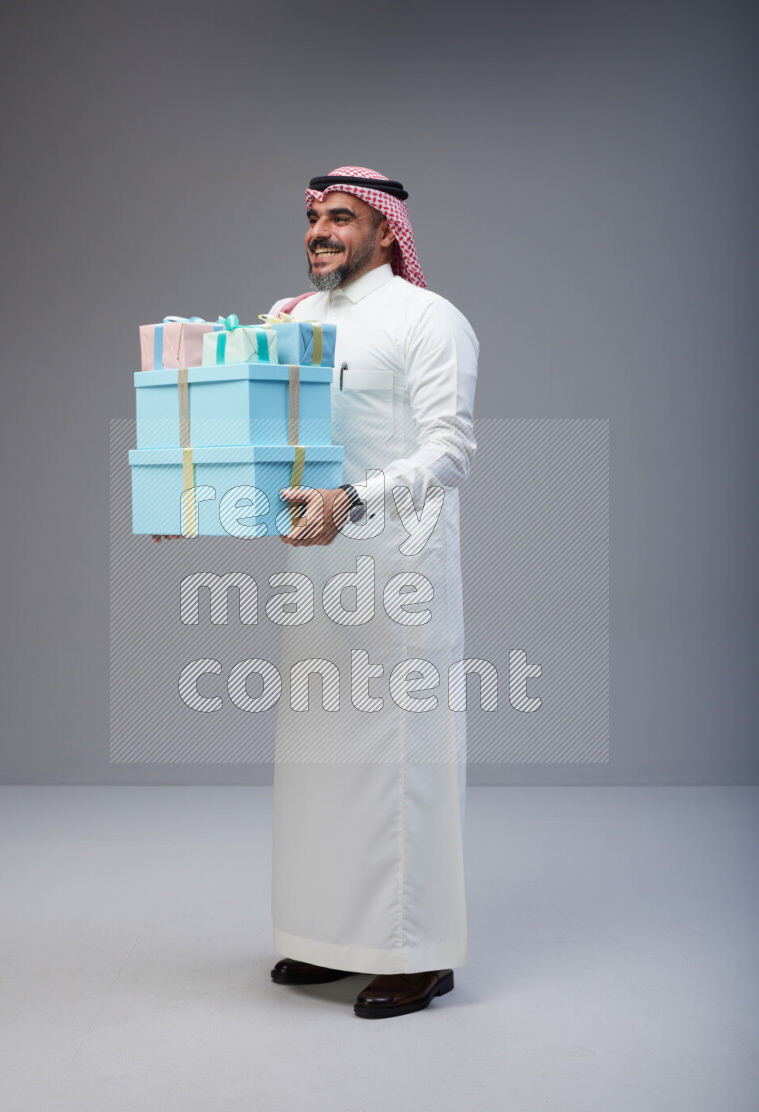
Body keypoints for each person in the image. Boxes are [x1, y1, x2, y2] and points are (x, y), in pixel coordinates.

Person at [267, 166, 479, 1019]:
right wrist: (189, 495)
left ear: (388, 231)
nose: (321, 230)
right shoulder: (289, 320)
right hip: (312, 580)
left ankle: (417, 954)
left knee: (400, 763)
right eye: (315, 216)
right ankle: (331, 940)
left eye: (342, 217)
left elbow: (452, 451)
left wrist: (353, 501)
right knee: (320, 762)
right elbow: (251, 432)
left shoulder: (430, 319)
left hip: (399, 577)